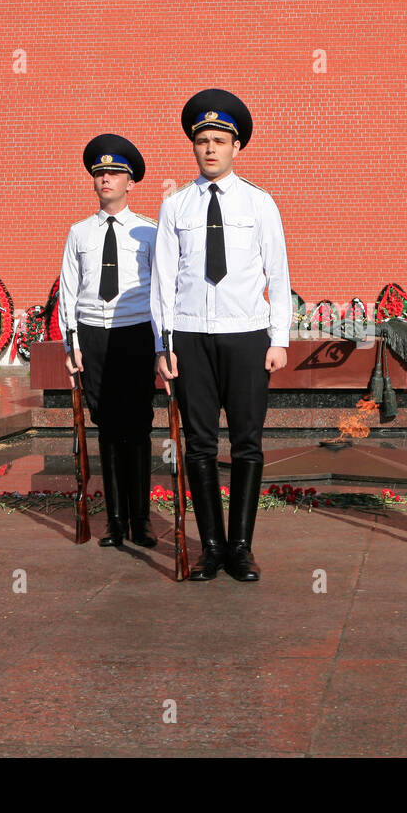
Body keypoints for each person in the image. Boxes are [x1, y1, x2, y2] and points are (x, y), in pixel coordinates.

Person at [151, 88, 292, 582]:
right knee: (200, 444)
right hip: (190, 337)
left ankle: (241, 548)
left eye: (219, 140)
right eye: (203, 141)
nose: (210, 148)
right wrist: (163, 347)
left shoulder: (260, 203)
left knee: (248, 443)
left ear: (237, 147)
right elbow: (162, 282)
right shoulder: (176, 207)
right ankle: (211, 547)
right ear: (194, 146)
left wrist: (279, 340)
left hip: (246, 335)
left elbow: (278, 271)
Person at [58, 133, 159, 549]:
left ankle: (142, 520)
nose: (106, 179)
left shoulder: (150, 232)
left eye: (115, 173)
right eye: (100, 173)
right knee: (106, 426)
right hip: (94, 336)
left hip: (135, 332)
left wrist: (160, 346)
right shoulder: (79, 233)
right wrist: (72, 344)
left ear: (130, 181)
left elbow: (161, 290)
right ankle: (114, 521)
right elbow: (69, 289)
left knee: (136, 427)